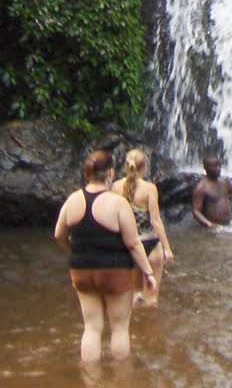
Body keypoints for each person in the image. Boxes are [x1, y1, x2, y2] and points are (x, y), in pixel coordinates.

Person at [53, 149, 156, 364]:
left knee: (91, 328)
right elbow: (133, 243)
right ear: (110, 173)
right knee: (119, 329)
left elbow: (58, 234)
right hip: (115, 272)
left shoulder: (72, 200)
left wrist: (71, 252)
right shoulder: (117, 203)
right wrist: (148, 272)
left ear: (87, 173)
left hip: (81, 271)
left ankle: (92, 385)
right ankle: (121, 385)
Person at [118, 148, 174, 307]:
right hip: (149, 242)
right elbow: (155, 220)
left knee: (134, 296)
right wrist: (166, 248)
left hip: (128, 245)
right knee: (151, 298)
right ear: (145, 167)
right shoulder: (149, 188)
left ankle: (135, 330)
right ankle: (150, 330)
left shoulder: (116, 186)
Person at [191, 155, 232, 228]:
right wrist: (209, 224)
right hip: (212, 228)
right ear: (206, 168)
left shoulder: (224, 182)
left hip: (228, 226)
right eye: (214, 167)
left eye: (219, 166)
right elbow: (196, 211)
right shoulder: (202, 187)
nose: (218, 169)